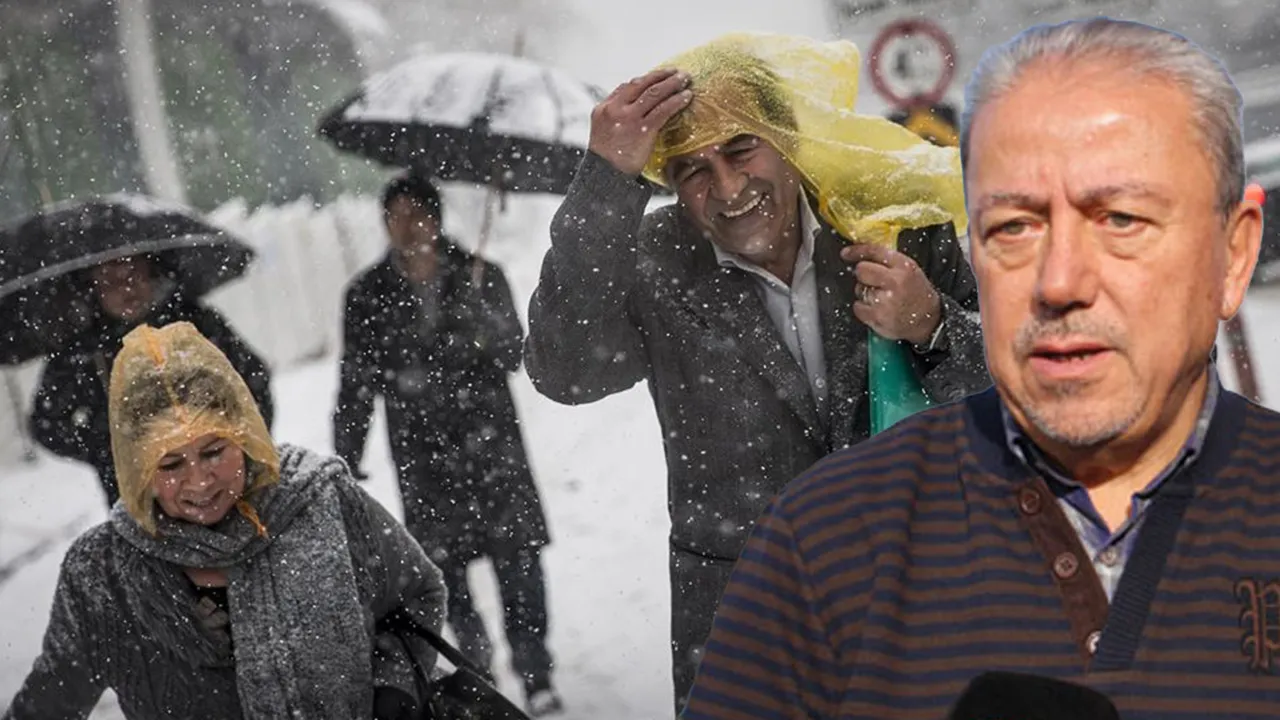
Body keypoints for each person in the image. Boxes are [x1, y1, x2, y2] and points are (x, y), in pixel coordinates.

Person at [681, 18, 1276, 720]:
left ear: (1231, 257)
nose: (1061, 280)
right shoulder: (818, 538)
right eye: (1014, 227)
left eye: (1122, 218)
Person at [524, 32, 991, 711]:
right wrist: (605, 182)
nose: (729, 187)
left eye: (742, 149)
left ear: (785, 140)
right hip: (745, 623)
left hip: (918, 604)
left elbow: (1011, 402)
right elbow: (564, 372)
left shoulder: (889, 223)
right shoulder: (652, 261)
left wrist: (932, 324)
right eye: (692, 170)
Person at [4, 321, 447, 720]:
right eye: (170, 464)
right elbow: (49, 702)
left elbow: (417, 596)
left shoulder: (320, 502)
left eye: (215, 451)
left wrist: (393, 690)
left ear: (246, 434)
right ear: (138, 469)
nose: (199, 481)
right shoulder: (103, 573)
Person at [333, 175, 561, 716]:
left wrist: (480, 323)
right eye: (395, 215)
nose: (407, 226)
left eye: (417, 214)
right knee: (441, 575)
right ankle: (477, 674)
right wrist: (347, 451)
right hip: (423, 454)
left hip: (492, 449)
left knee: (518, 564)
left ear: (437, 219)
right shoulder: (366, 295)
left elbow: (513, 355)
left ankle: (535, 674)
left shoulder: (483, 276)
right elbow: (355, 380)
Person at [29, 254, 274, 507]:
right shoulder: (82, 351)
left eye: (135, 274)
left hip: (225, 485)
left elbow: (253, 379)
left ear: (152, 272)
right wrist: (111, 448)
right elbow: (47, 424)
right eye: (111, 281)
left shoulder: (194, 322)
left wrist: (241, 445)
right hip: (139, 503)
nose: (127, 288)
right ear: (93, 287)